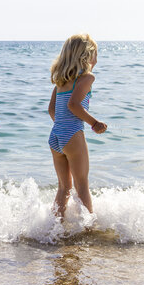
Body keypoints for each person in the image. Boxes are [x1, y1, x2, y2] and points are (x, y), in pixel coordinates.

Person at [48, 34, 107, 218]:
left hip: (55, 136)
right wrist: (94, 123)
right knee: (82, 185)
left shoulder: (60, 80)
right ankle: (88, 229)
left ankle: (53, 228)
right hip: (72, 134)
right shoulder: (87, 78)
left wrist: (62, 126)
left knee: (64, 187)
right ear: (87, 56)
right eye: (95, 54)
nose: (96, 59)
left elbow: (51, 110)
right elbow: (73, 105)